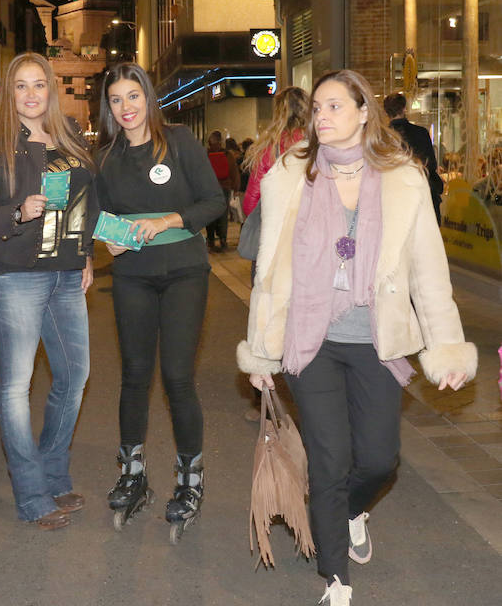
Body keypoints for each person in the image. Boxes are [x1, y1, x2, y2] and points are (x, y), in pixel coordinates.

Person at [237, 70, 476, 606]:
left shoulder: (402, 179)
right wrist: (260, 351)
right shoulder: (291, 175)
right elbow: (270, 273)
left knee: (377, 460)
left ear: (364, 112)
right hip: (310, 339)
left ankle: (347, 510)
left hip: (375, 338)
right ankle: (336, 579)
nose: (321, 117)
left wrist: (446, 347)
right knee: (329, 459)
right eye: (317, 108)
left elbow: (428, 273)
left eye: (334, 107)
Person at [94, 62, 225, 538]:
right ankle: (133, 473)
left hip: (185, 272)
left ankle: (190, 481)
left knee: (176, 376)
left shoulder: (180, 142)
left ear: (148, 97)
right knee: (133, 374)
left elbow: (213, 201)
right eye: (116, 100)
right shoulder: (106, 157)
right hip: (132, 276)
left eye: (133, 96)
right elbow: (100, 213)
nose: (126, 108)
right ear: (108, 108)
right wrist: (109, 239)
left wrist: (167, 221)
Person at [0, 52, 98, 530]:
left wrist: (86, 255)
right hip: (15, 275)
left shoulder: (71, 139)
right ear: (10, 93)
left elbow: (85, 205)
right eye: (20, 86)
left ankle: (53, 471)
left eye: (38, 84)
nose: (30, 94)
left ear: (51, 89)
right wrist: (19, 211)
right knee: (15, 387)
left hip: (66, 275)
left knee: (74, 376)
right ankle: (31, 494)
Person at [238, 86, 309, 422]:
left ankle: (263, 396)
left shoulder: (267, 147)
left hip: (272, 246)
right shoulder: (316, 145)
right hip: (307, 246)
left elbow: (251, 201)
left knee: (266, 315)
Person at [383, 93, 444, 225]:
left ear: (386, 111)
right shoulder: (420, 132)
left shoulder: (382, 137)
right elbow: (431, 165)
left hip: (394, 199)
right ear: (404, 108)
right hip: (423, 196)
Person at [204, 131, 239, 252]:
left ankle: (211, 240)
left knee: (209, 214)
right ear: (221, 141)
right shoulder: (227, 154)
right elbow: (233, 171)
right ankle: (223, 239)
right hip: (225, 187)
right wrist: (236, 188)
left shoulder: (205, 154)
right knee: (223, 214)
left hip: (208, 189)